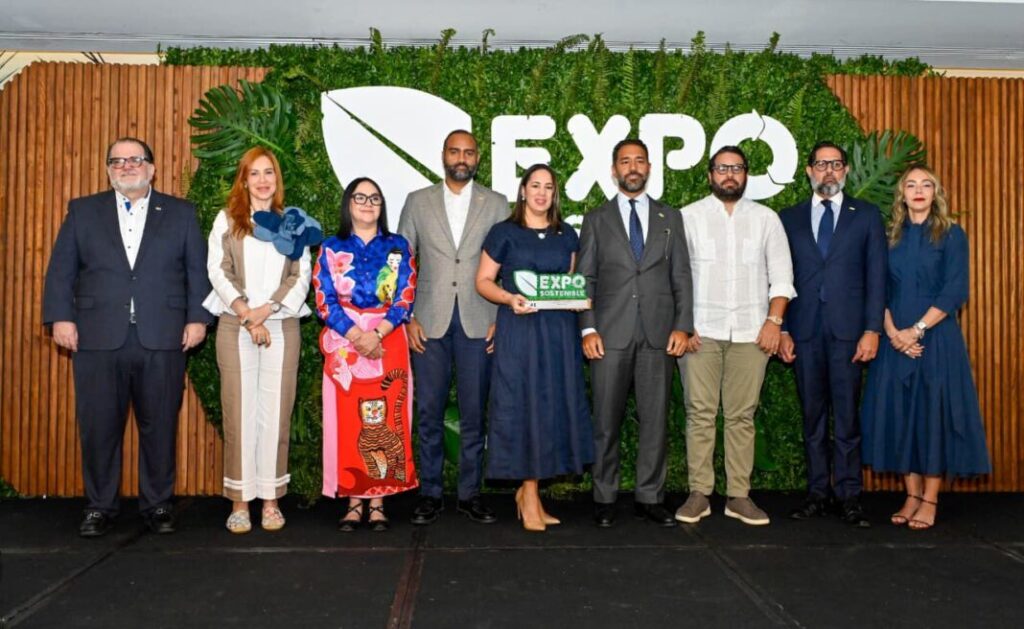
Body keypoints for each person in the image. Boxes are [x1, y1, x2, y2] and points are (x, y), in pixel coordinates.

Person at [42, 137, 211, 537]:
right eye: (117, 161)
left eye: (135, 159)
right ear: (108, 171)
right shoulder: (83, 211)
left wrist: (198, 319)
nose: (127, 166)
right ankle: (99, 506)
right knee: (99, 427)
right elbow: (61, 271)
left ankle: (158, 504)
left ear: (152, 168)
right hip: (96, 338)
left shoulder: (181, 213)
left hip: (163, 336)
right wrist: (60, 318)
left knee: (160, 426)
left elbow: (197, 271)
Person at [860, 164, 991, 530]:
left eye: (926, 185)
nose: (918, 190)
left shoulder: (951, 234)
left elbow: (955, 290)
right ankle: (911, 495)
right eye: (911, 185)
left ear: (936, 193)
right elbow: (877, 288)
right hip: (894, 338)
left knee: (932, 416)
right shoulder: (889, 236)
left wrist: (915, 331)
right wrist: (892, 332)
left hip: (936, 339)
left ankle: (930, 499)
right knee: (901, 415)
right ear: (902, 195)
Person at [676, 146, 795, 527]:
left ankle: (739, 496)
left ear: (746, 174)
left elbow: (782, 277)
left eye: (737, 168)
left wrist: (774, 322)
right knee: (700, 414)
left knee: (742, 416)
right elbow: (675, 277)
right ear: (710, 174)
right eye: (722, 168)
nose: (730, 175)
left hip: (751, 332)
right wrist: (683, 324)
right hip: (700, 332)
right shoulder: (688, 217)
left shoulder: (766, 219)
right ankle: (699, 493)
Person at [577, 138, 693, 528]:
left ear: (649, 168)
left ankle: (650, 497)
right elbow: (585, 279)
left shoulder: (670, 217)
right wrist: (588, 327)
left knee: (655, 420)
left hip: (659, 334)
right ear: (614, 170)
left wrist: (682, 325)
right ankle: (604, 497)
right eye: (625, 161)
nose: (633, 167)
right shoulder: (596, 219)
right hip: (608, 334)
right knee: (605, 420)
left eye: (639, 160)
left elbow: (681, 276)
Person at [397, 130, 509, 526]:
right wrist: (407, 317)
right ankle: (430, 493)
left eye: (469, 152)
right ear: (443, 155)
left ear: (478, 158)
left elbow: (508, 263)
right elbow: (401, 262)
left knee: (475, 412)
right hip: (428, 321)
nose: (462, 158)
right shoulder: (417, 201)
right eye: (455, 151)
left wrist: (501, 318)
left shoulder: (496, 203)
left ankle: (469, 494)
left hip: (481, 320)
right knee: (428, 410)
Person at [475, 164, 594, 532]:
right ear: (523, 191)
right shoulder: (504, 232)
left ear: (554, 194)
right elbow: (483, 281)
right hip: (520, 330)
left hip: (558, 334)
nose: (542, 193)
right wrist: (509, 299)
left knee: (551, 408)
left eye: (548, 187)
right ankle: (527, 494)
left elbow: (570, 283)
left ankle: (532, 493)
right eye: (535, 185)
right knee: (523, 407)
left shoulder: (566, 234)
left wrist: (578, 300)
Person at [204, 147, 317, 534]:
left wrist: (265, 311)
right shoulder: (227, 220)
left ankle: (270, 500)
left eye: (269, 172)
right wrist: (246, 314)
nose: (263, 180)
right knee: (240, 415)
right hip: (235, 325)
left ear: (277, 179)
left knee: (275, 415)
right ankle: (240, 502)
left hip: (281, 325)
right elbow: (218, 270)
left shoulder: (293, 222)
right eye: (254, 173)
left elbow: (301, 276)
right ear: (244, 179)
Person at [778, 141, 887, 528]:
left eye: (836, 164)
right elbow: (778, 277)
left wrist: (872, 329)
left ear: (846, 171)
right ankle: (817, 494)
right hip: (803, 331)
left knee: (846, 420)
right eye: (821, 164)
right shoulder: (788, 218)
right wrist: (783, 328)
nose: (829, 171)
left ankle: (849, 496)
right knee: (812, 418)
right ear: (809, 171)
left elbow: (877, 277)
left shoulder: (866, 216)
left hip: (849, 334)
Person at [314, 177, 418, 531]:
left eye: (375, 198)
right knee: (349, 421)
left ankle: (378, 501)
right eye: (360, 197)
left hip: (388, 340)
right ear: (348, 203)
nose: (368, 203)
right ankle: (353, 500)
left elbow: (405, 296)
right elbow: (324, 299)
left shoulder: (399, 246)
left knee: (385, 420)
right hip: (346, 342)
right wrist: (356, 334)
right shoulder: (331, 247)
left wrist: (376, 334)